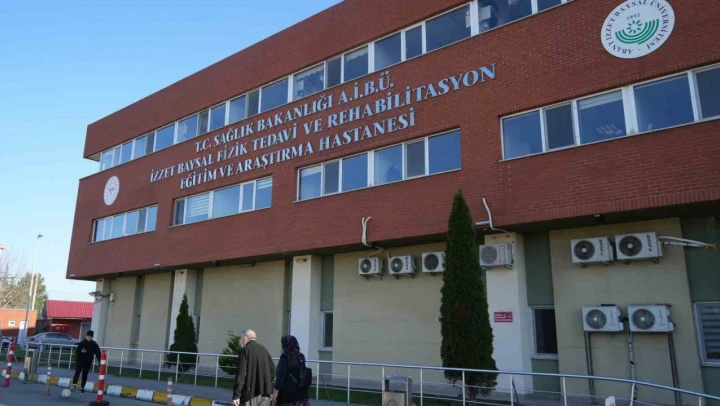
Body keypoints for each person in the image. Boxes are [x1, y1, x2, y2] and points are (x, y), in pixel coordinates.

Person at [233, 329, 276, 406]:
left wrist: (237, 395)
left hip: (249, 395)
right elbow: (272, 370)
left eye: (241, 339)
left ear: (245, 338)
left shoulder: (245, 351)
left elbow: (241, 374)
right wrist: (266, 382)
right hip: (265, 393)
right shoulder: (263, 350)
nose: (241, 342)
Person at [272, 335, 309, 406]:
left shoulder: (285, 358)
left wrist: (275, 393)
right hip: (300, 395)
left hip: (287, 396)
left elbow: (280, 377)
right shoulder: (301, 357)